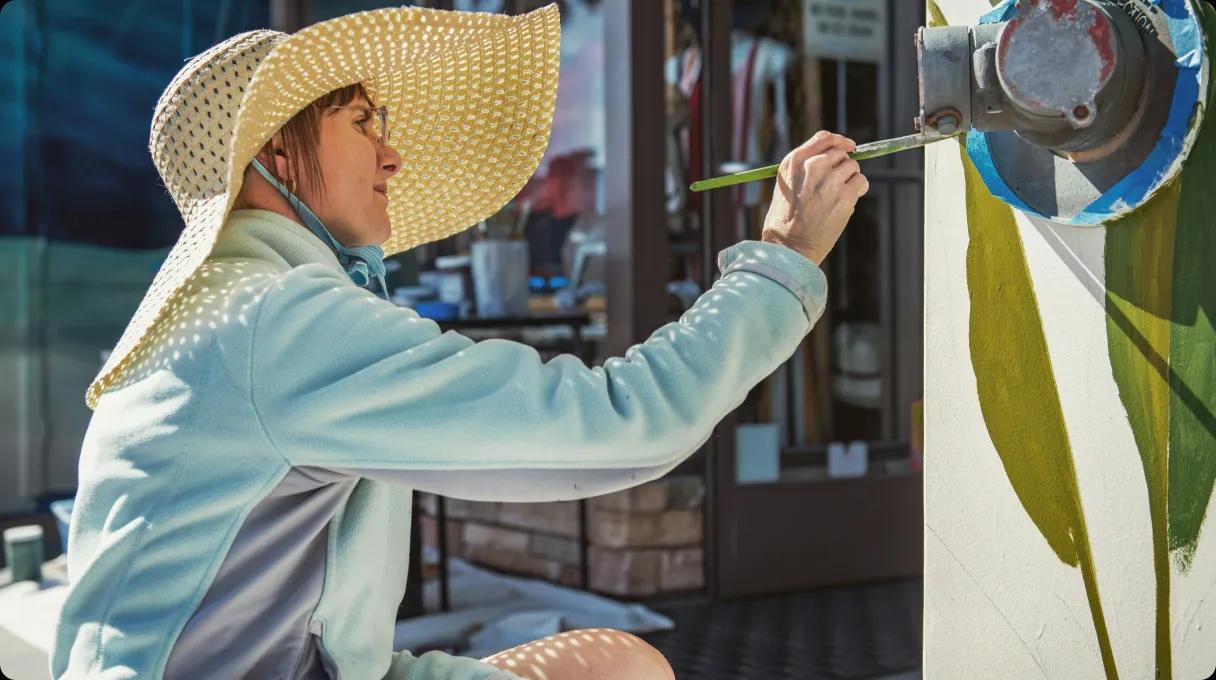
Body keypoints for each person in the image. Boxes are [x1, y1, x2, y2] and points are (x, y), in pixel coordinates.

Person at [51, 5, 866, 680]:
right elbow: (626, 424)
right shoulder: (276, 320)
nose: (392, 152)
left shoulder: (231, 308)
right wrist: (782, 262)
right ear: (274, 151)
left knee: (619, 664)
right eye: (363, 120)